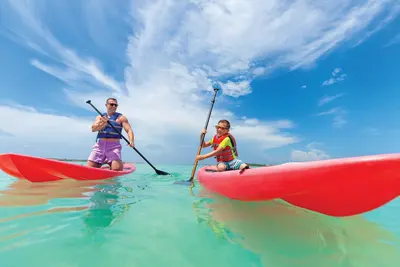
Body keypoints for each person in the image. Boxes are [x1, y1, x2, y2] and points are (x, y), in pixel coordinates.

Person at [86, 97, 135, 171]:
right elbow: (93, 129)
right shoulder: (100, 117)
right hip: (100, 146)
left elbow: (129, 130)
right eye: (112, 104)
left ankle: (110, 161)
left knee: (116, 170)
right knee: (89, 169)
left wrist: (131, 140)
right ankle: (105, 160)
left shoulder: (121, 118)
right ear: (106, 105)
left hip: (114, 146)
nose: (114, 106)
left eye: (116, 105)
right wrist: (104, 123)